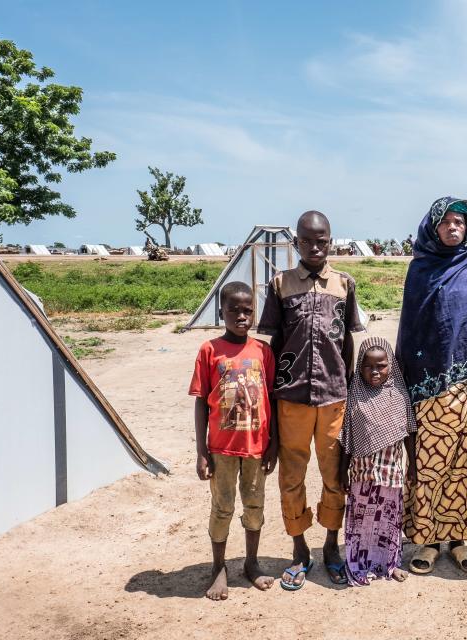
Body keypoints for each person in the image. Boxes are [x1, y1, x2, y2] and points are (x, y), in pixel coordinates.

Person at [257, 210, 364, 591]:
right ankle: (299, 549)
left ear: (330, 241)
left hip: (334, 397)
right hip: (292, 399)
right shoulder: (280, 284)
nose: (315, 247)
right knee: (292, 477)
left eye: (323, 241)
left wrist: (350, 387)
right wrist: (272, 395)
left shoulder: (344, 283)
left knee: (335, 476)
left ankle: (331, 546)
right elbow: (274, 342)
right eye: (307, 241)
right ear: (296, 243)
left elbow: (347, 340)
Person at [397, 196, 467, 575]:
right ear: (433, 226)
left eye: (460, 222)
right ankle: (426, 538)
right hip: (426, 383)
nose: (454, 228)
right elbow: (409, 328)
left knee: (462, 462)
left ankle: (456, 538)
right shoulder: (419, 269)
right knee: (427, 461)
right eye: (447, 222)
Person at [189, 281, 277, 601]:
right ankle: (218, 567)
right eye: (234, 310)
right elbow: (201, 402)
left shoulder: (263, 351)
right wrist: (201, 452)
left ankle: (251, 563)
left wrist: (274, 443)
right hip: (221, 449)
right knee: (222, 507)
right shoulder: (209, 350)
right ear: (221, 311)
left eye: (247, 310)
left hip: (256, 447)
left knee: (255, 505)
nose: (241, 316)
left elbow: (272, 399)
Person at [338, 337, 414, 586]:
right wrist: (342, 472)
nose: (375, 371)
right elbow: (347, 438)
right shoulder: (355, 397)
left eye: (381, 365)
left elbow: (409, 432)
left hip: (391, 473)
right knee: (362, 522)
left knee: (388, 521)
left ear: (390, 365)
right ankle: (358, 565)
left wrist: (412, 465)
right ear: (360, 367)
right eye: (369, 366)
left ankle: (389, 564)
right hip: (362, 474)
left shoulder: (399, 396)